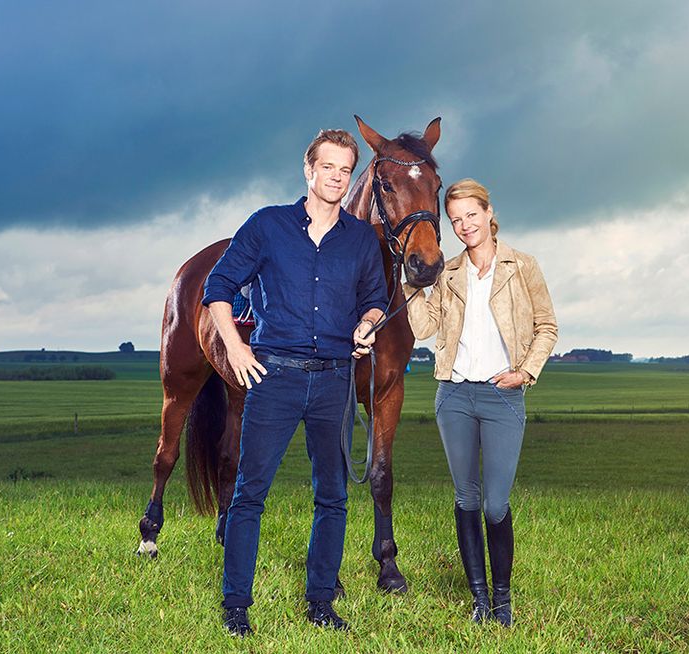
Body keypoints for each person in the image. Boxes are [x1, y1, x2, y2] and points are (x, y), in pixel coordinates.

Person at [202, 129, 388, 636]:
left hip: (334, 381)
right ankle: (236, 605)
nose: (336, 177)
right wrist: (235, 347)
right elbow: (217, 286)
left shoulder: (360, 239)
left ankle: (321, 603)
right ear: (308, 170)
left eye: (345, 170)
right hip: (275, 377)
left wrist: (366, 324)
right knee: (250, 492)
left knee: (333, 496)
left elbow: (376, 299)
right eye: (328, 167)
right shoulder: (267, 225)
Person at [404, 178, 558, 626]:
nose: (465, 225)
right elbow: (423, 328)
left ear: (489, 213)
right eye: (455, 220)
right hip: (453, 395)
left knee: (494, 504)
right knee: (467, 499)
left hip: (501, 397)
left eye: (471, 214)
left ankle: (503, 600)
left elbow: (547, 326)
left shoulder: (522, 266)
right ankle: (480, 600)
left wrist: (525, 371)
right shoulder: (448, 273)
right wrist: (411, 284)